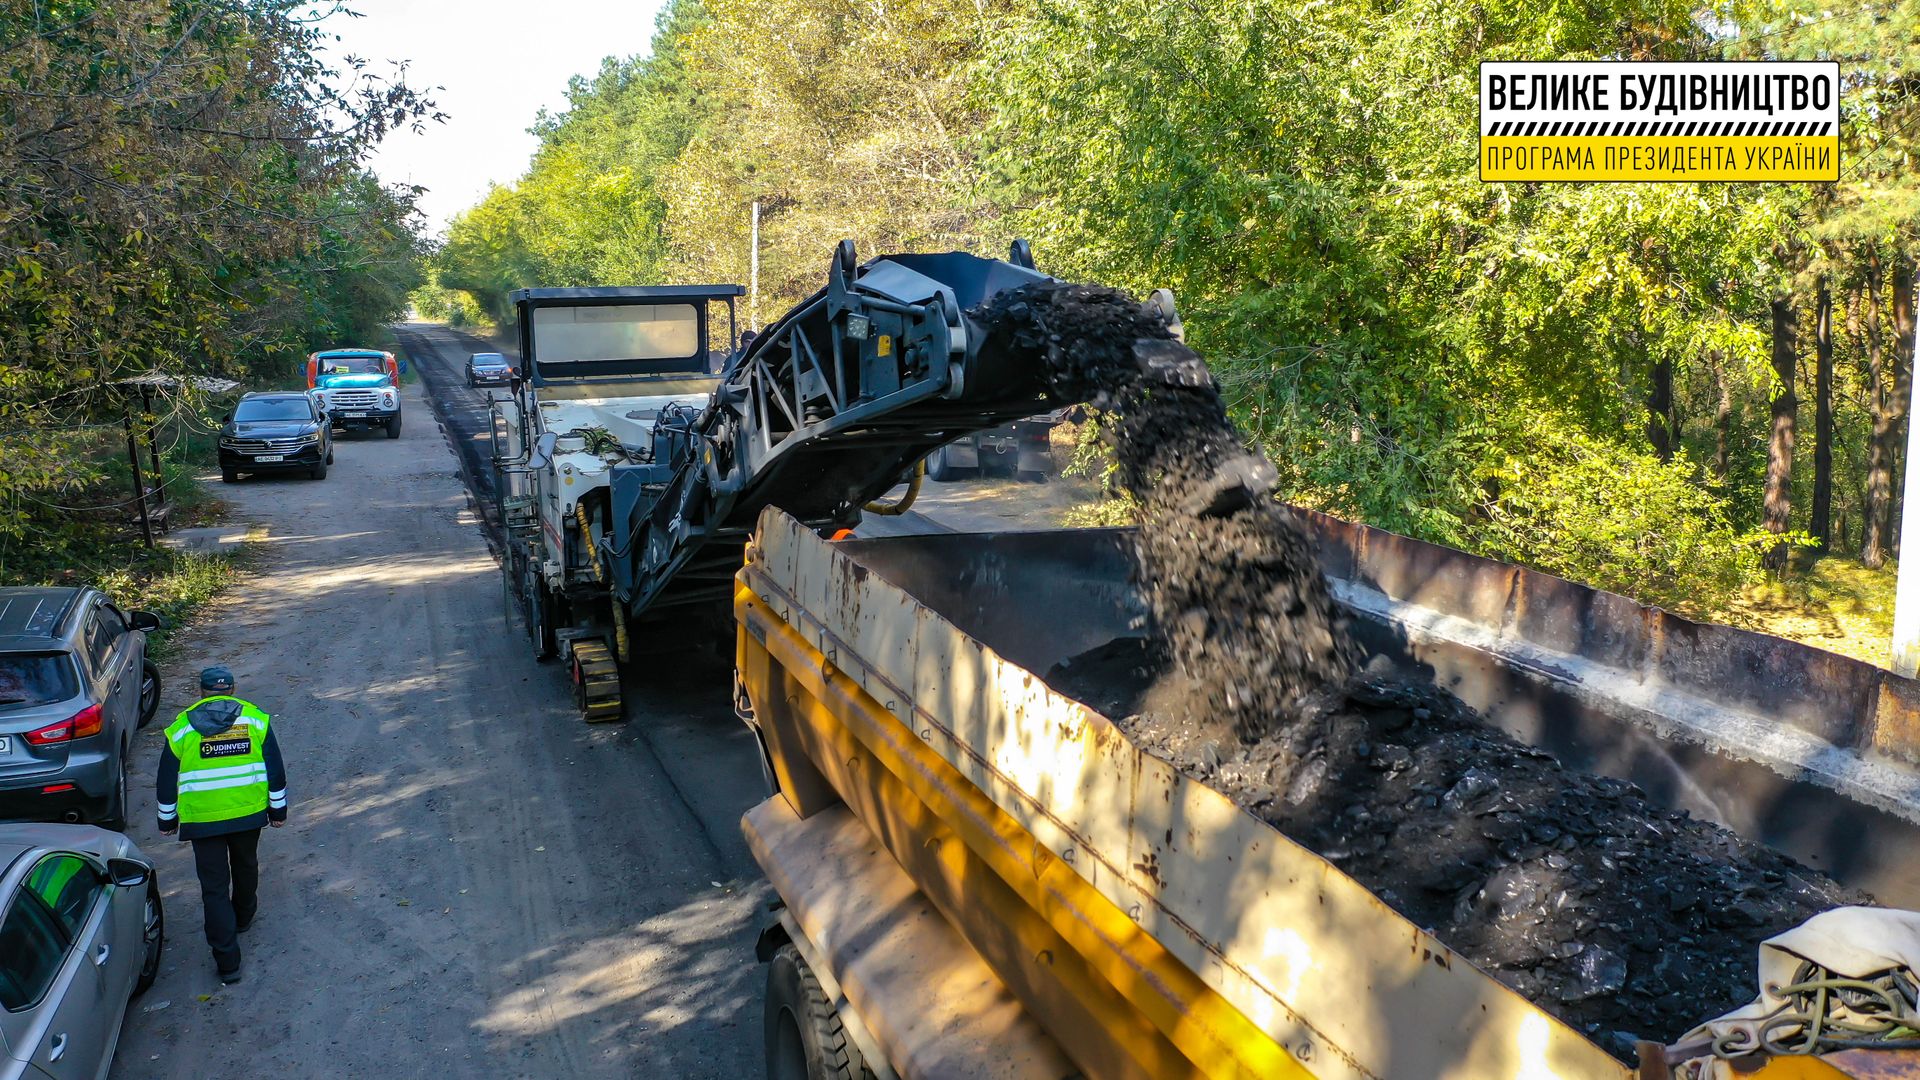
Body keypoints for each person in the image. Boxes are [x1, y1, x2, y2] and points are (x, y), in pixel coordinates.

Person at [157, 666, 288, 985]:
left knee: (213, 888)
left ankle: (228, 963)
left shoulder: (182, 728)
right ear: (232, 689)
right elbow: (275, 767)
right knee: (246, 865)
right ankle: (243, 916)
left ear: (200, 691)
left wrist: (167, 818)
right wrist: (278, 809)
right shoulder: (255, 720)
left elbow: (165, 778)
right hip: (247, 813)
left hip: (203, 820)